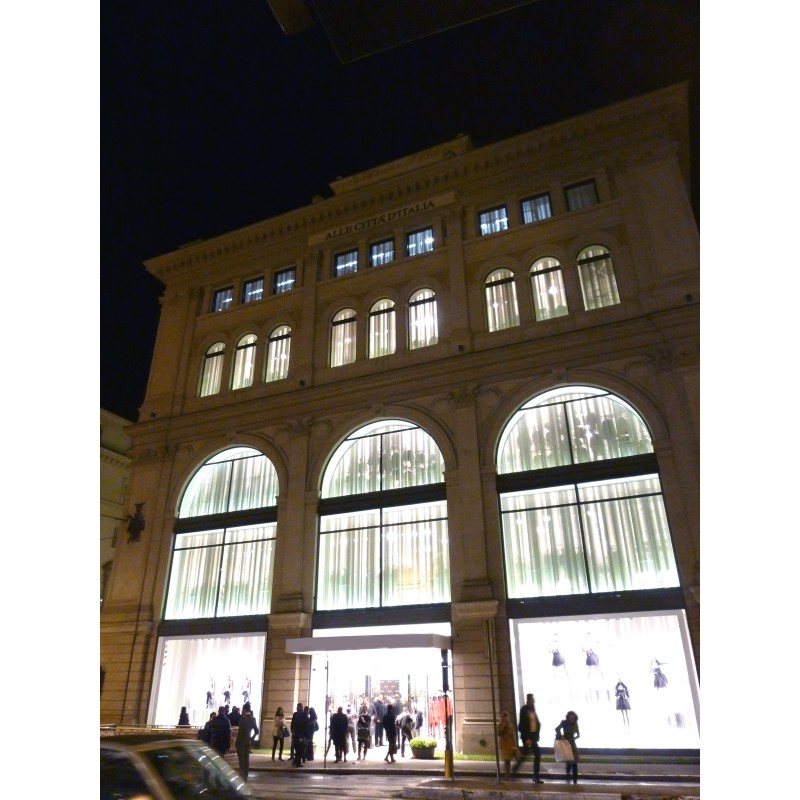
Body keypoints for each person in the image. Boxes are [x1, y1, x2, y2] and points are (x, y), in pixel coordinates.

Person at [511, 693, 543, 783]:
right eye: (532, 699)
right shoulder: (524, 709)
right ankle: (535, 776)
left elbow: (536, 723)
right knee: (537, 754)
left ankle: (515, 769)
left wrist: (536, 734)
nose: (534, 701)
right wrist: (527, 738)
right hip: (527, 736)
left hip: (533, 736)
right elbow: (522, 725)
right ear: (528, 700)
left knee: (526, 754)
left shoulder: (532, 709)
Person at [235, 701, 259, 781]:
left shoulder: (243, 719)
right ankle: (245, 776)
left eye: (243, 709)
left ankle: (242, 777)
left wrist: (237, 742)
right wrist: (251, 738)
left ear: (245, 709)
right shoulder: (253, 719)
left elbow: (240, 732)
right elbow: (256, 731)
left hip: (241, 742)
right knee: (246, 760)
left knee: (241, 761)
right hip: (248, 741)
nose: (242, 711)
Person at [555, 710, 580, 784]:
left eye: (573, 717)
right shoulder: (564, 722)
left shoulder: (575, 724)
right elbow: (557, 729)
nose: (572, 718)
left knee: (574, 762)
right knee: (569, 761)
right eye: (570, 716)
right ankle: (568, 778)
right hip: (566, 743)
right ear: (568, 717)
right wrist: (561, 736)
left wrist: (573, 738)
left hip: (572, 744)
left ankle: (574, 779)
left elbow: (578, 735)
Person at [497, 711, 519, 780]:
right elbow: (499, 733)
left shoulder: (511, 725)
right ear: (502, 718)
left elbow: (513, 735)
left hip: (510, 744)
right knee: (506, 759)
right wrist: (503, 726)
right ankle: (507, 774)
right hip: (503, 744)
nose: (506, 719)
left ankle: (509, 773)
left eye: (507, 717)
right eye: (504, 717)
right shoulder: (500, 725)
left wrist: (515, 745)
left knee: (509, 760)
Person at [290, 702, 309, 767]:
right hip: (299, 734)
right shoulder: (299, 715)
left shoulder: (301, 715)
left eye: (298, 707)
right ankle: (297, 762)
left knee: (299, 748)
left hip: (299, 733)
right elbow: (294, 723)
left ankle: (297, 761)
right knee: (299, 748)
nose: (297, 708)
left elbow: (304, 725)